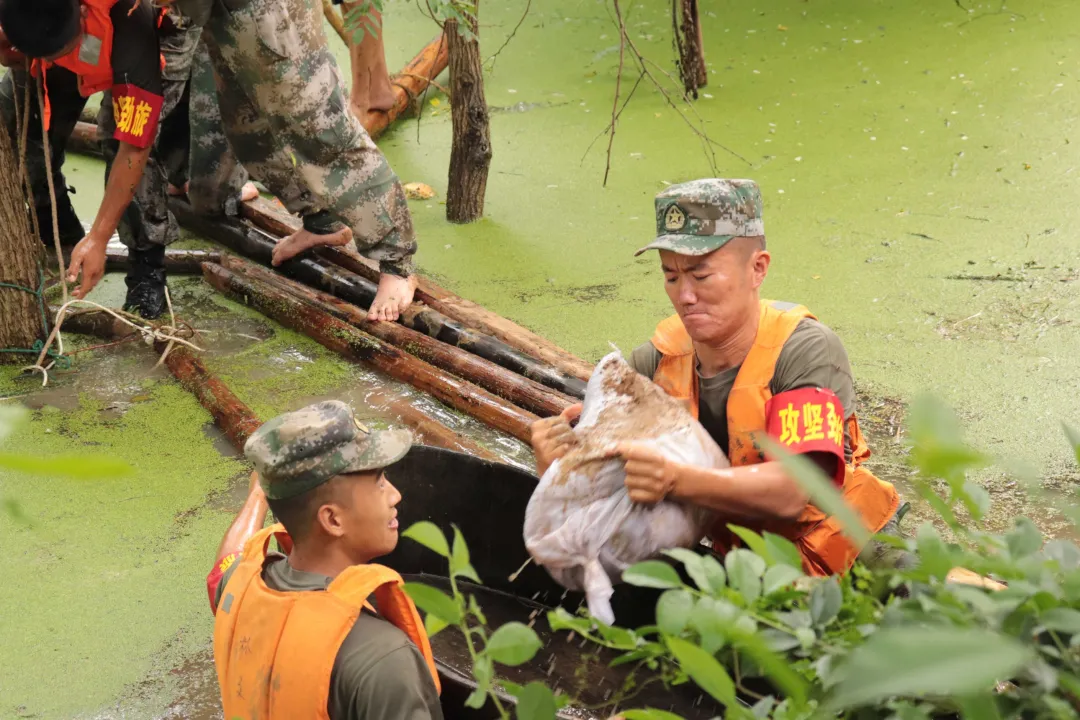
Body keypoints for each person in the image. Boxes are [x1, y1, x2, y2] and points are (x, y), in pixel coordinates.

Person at [531, 179, 913, 575]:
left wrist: (675, 480)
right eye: (672, 276)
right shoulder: (655, 362)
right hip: (744, 569)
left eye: (701, 275)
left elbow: (795, 491)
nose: (685, 296)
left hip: (856, 555)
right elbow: (606, 489)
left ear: (757, 269)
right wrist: (560, 468)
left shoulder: (803, 349)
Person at [172, 0, 420, 322]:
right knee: (249, 131)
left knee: (323, 133)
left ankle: (397, 264)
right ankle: (321, 219)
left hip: (268, 11)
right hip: (219, 15)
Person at [208, 400, 444, 719]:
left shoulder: (236, 587)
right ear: (332, 520)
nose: (395, 494)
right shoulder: (382, 658)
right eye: (378, 482)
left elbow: (226, 564)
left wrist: (258, 495)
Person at [0, 0, 179, 318]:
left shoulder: (133, 19)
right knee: (16, 125)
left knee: (122, 141)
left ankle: (146, 267)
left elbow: (134, 147)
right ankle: (54, 222)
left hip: (134, 34)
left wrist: (99, 237)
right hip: (47, 35)